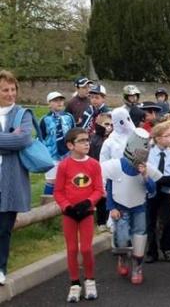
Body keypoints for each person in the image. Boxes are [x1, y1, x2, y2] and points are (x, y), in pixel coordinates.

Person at [101, 128, 162, 285]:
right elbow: (109, 187)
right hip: (120, 206)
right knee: (121, 238)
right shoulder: (114, 166)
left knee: (140, 236)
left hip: (139, 207)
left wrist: (145, 175)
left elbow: (152, 190)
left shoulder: (147, 169)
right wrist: (111, 207)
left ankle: (137, 267)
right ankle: (122, 258)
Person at [53, 128, 104, 302]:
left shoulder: (94, 164)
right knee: (72, 249)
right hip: (70, 214)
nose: (86, 143)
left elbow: (99, 190)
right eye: (81, 141)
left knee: (86, 248)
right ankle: (74, 283)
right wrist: (66, 206)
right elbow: (58, 192)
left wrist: (88, 202)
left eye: (87, 140)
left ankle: (90, 280)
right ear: (70, 145)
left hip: (86, 212)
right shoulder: (64, 165)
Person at [0, 70, 33, 286]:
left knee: (4, 228)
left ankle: (0, 267)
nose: (10, 94)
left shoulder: (23, 114)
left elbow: (22, 140)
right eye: (5, 90)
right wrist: (8, 139)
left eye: (13, 89)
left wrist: (13, 139)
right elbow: (12, 141)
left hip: (11, 181)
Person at [145, 122, 170, 263]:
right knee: (150, 222)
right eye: (167, 136)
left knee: (167, 221)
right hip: (150, 192)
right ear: (158, 138)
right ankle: (151, 251)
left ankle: (166, 249)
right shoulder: (148, 153)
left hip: (165, 191)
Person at [39, 91, 75, 196]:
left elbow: (74, 133)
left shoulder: (69, 117)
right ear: (49, 103)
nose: (59, 103)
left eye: (61, 100)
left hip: (68, 154)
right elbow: (40, 138)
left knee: (68, 179)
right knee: (51, 181)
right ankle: (46, 205)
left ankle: (67, 203)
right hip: (52, 156)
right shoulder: (45, 120)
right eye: (55, 101)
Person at [90, 113, 113, 232]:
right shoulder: (94, 140)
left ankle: (108, 219)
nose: (109, 127)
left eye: (111, 125)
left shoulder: (112, 139)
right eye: (106, 124)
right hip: (97, 172)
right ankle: (101, 221)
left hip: (110, 171)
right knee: (101, 198)